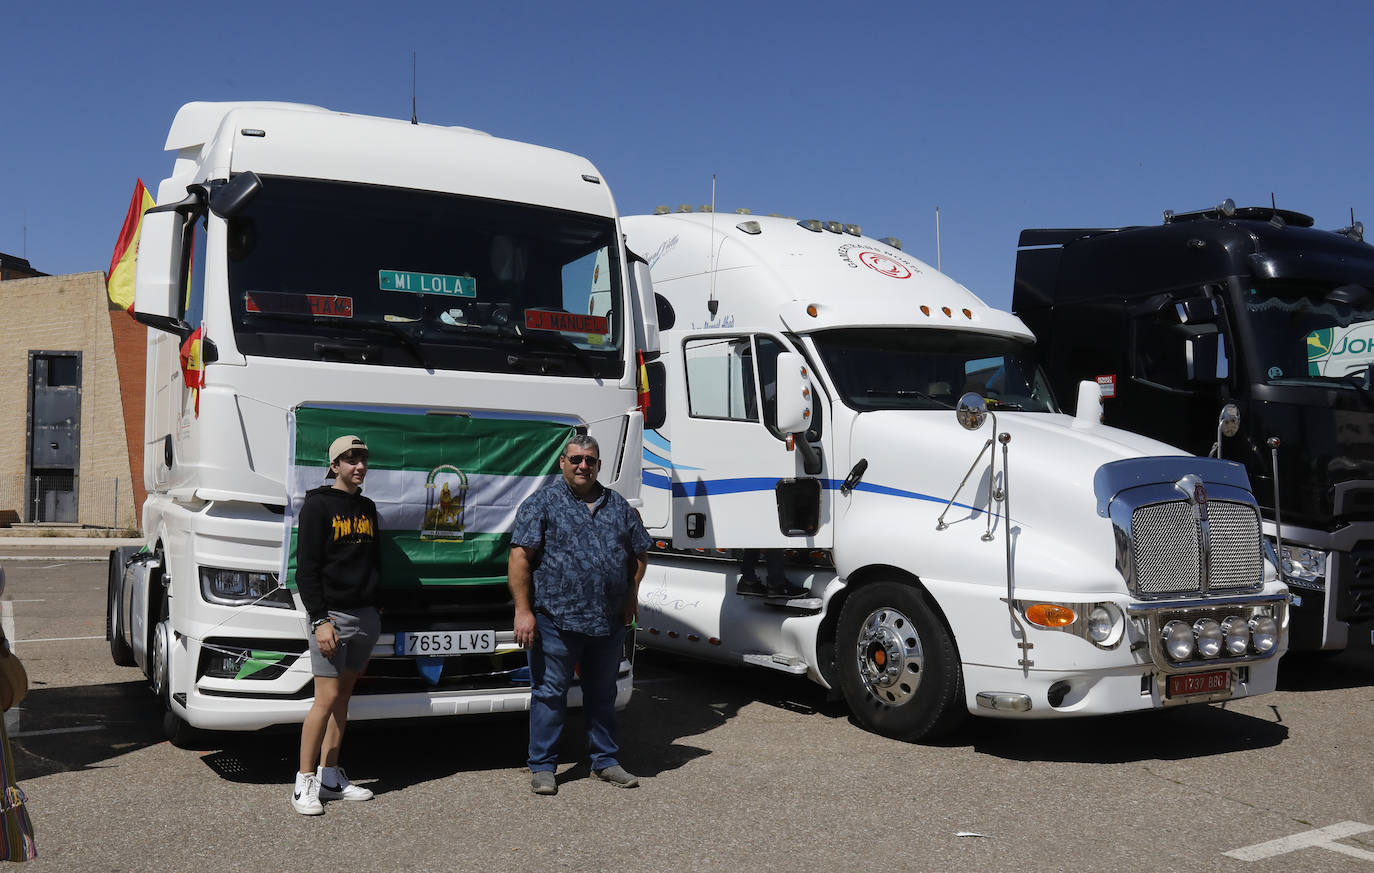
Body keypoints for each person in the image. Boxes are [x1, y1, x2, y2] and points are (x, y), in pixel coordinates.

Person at [508, 434, 651, 796]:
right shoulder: (541, 503)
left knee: (602, 694)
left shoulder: (618, 506)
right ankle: (542, 766)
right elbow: (520, 558)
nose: (583, 466)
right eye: (575, 460)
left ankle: (605, 761)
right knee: (550, 693)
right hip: (556, 620)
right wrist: (523, 611)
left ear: (599, 465)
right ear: (562, 463)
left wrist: (631, 596)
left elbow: (640, 554)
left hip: (608, 621)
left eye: (590, 460)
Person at [291, 435, 382, 816]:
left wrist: (376, 610)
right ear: (334, 466)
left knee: (343, 699)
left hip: (364, 617)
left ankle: (331, 778)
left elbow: (373, 563)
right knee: (324, 699)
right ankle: (303, 782)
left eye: (362, 459)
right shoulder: (317, 507)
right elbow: (306, 571)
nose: (358, 466)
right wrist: (320, 619)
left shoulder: (367, 507)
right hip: (333, 619)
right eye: (350, 460)